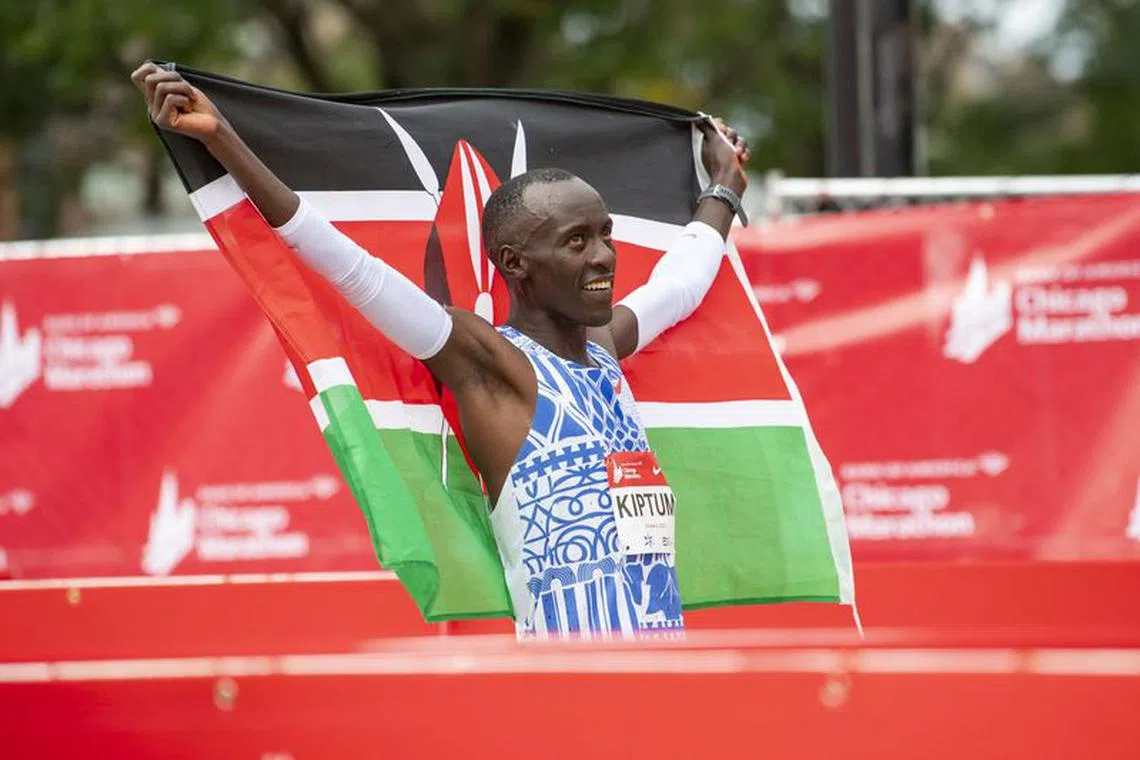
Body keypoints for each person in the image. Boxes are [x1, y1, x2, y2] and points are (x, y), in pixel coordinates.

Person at [131, 62, 750, 639]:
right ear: (515, 264)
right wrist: (221, 140)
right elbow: (351, 269)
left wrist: (723, 181)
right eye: (576, 241)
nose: (604, 257)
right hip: (571, 693)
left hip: (669, 677)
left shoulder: (608, 346)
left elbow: (683, 280)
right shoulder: (490, 366)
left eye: (606, 234)